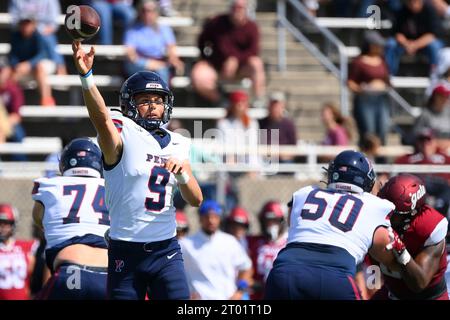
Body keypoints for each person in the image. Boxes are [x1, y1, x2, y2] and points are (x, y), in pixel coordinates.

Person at [71, 39, 203, 300]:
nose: (153, 105)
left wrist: (183, 175)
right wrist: (87, 77)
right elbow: (101, 119)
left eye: (158, 100)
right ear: (130, 104)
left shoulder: (178, 142)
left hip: (166, 249)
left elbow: (196, 199)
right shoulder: (123, 134)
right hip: (125, 250)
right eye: (145, 100)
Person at [264, 150, 401, 300]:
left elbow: (293, 225)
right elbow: (389, 258)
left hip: (284, 272)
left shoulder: (304, 193)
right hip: (333, 277)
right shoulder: (374, 205)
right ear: (367, 181)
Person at [31, 138, 109, 300]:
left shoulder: (49, 186)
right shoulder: (114, 189)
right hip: (108, 276)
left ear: (65, 162)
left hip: (71, 272)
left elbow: (38, 219)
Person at [374, 173, 448, 300]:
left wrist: (400, 249)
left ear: (411, 213)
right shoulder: (380, 216)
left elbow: (419, 283)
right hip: (391, 291)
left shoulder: (429, 226)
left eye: (392, 212)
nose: (386, 214)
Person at [190, 0, 266, 105]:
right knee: (198, 75)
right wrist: (207, 59)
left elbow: (254, 51)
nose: (237, 11)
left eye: (241, 8)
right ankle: (220, 100)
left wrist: (235, 60)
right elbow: (202, 40)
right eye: (235, 7)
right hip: (217, 67)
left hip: (241, 69)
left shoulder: (252, 27)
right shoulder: (217, 23)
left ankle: (258, 100)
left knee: (256, 63)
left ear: (246, 9)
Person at [180, 200, 253, 300]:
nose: (211, 220)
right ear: (200, 218)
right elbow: (174, 271)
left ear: (219, 219)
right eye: (207, 217)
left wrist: (240, 291)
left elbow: (246, 267)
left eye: (215, 217)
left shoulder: (230, 242)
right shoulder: (186, 244)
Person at [124, 0, 184, 85]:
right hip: (138, 63)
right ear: (139, 12)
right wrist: (149, 64)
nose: (147, 14)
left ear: (156, 12)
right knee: (159, 69)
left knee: (162, 70)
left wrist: (174, 59)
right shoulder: (132, 29)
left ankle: (163, 95)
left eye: (150, 11)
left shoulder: (163, 29)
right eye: (144, 11)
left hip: (158, 62)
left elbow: (171, 47)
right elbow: (131, 54)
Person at [0, 14, 55, 106]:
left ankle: (47, 99)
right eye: (23, 24)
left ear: (33, 25)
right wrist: (17, 65)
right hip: (22, 67)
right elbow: (12, 55)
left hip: (40, 66)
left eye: (28, 24)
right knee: (7, 72)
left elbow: (42, 54)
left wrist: (29, 64)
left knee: (39, 68)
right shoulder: (15, 37)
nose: (25, 26)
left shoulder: (38, 36)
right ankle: (10, 105)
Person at [348, 31, 391, 146]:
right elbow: (351, 82)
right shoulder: (359, 62)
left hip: (381, 98)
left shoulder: (382, 61)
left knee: (383, 129)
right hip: (365, 100)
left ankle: (381, 160)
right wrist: (363, 89)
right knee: (369, 131)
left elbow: (387, 80)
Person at [384, 0, 443, 75]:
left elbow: (433, 35)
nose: (413, 5)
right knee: (391, 44)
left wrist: (414, 45)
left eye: (415, 2)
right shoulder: (402, 10)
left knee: (434, 46)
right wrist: (406, 44)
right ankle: (389, 76)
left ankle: (436, 76)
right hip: (406, 44)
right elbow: (396, 33)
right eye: (410, 2)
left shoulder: (430, 10)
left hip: (424, 44)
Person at [248, 200, 288, 300]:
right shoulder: (254, 242)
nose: (270, 225)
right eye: (267, 221)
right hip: (258, 292)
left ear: (281, 221)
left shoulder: (290, 242)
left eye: (274, 221)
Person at [0, 204, 39, 300]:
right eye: (0, 223)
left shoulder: (26, 246)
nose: (2, 227)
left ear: (13, 224)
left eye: (6, 223)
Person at [258, 91, 297, 164]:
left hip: (283, 160)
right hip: (264, 159)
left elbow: (294, 146)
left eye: (277, 105)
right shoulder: (260, 123)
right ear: (269, 106)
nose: (275, 108)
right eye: (273, 105)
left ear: (283, 106)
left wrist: (283, 154)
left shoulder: (288, 124)